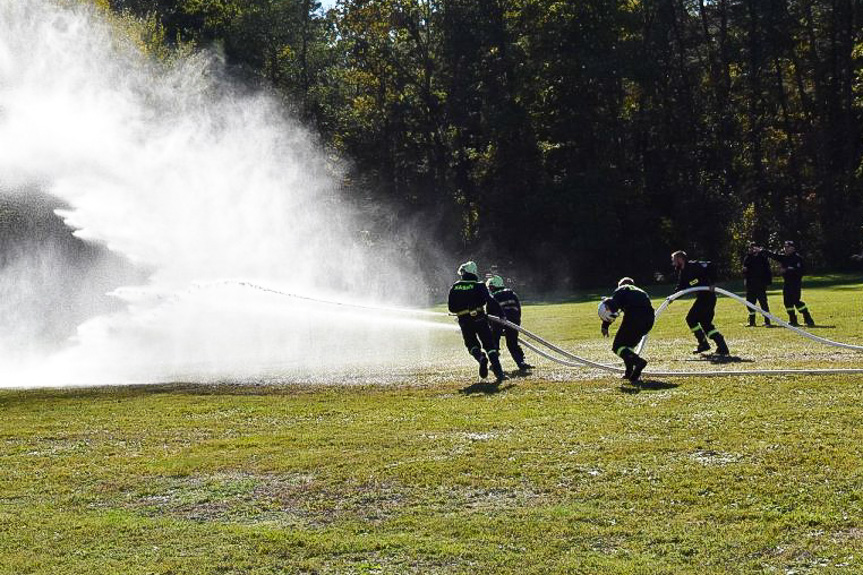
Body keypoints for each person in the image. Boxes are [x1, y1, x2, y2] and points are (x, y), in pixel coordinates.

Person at [447, 261, 506, 383]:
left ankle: (480, 358)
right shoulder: (479, 285)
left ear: (463, 273)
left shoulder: (455, 286)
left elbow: (451, 308)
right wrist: (501, 314)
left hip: (464, 320)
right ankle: (499, 373)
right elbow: (490, 300)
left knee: (471, 344)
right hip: (479, 318)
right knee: (489, 345)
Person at [671, 250, 730, 355]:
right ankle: (722, 347)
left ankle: (704, 344)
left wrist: (712, 283)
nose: (673, 263)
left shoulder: (695, 265)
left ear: (680, 259)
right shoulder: (683, 272)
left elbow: (711, 266)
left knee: (691, 319)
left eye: (674, 260)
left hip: (708, 297)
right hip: (702, 297)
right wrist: (672, 297)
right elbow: (681, 286)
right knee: (706, 323)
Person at [599, 277, 654, 382]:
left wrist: (607, 303)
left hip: (635, 316)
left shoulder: (622, 289)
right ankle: (630, 372)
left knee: (617, 346)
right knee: (628, 347)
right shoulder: (639, 291)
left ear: (621, 284)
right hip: (649, 319)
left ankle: (638, 362)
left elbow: (613, 308)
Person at [485, 275, 533, 371]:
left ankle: (494, 364)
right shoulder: (512, 294)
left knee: (494, 342)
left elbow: (489, 315)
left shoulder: (493, 297)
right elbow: (518, 310)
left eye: (490, 287)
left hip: (498, 322)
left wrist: (493, 328)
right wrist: (516, 324)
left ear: (493, 286)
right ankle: (521, 362)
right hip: (514, 321)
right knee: (512, 343)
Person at [761, 241, 814, 327]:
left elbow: (800, 271)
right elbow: (774, 256)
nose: (786, 249)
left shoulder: (797, 258)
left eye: (788, 247)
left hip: (795, 283)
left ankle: (807, 317)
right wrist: (763, 251)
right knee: (787, 303)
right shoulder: (784, 258)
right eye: (785, 247)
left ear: (793, 248)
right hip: (787, 283)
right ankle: (792, 319)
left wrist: (787, 270)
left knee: (796, 301)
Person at [742, 242, 772, 327]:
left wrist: (768, 282)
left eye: (753, 248)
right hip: (750, 284)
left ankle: (767, 321)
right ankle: (752, 322)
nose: (751, 249)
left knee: (763, 303)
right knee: (750, 303)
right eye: (750, 248)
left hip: (760, 284)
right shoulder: (747, 257)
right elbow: (745, 269)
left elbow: (767, 270)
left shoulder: (762, 258)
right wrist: (744, 271)